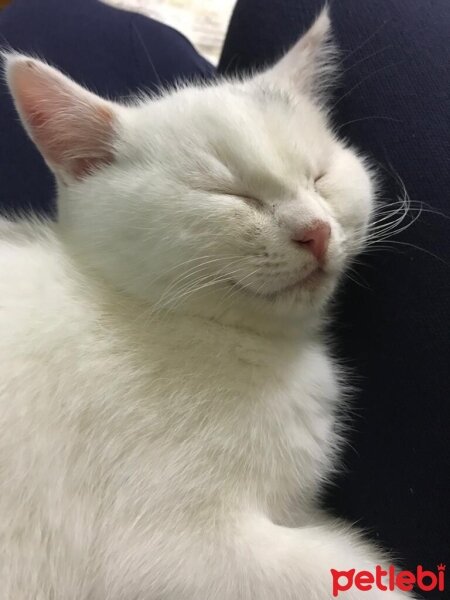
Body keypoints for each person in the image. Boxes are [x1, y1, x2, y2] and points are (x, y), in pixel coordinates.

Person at [1, 0, 448, 591]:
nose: (313, 227)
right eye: (232, 197)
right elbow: (188, 558)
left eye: (320, 177)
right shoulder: (80, 333)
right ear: (85, 166)